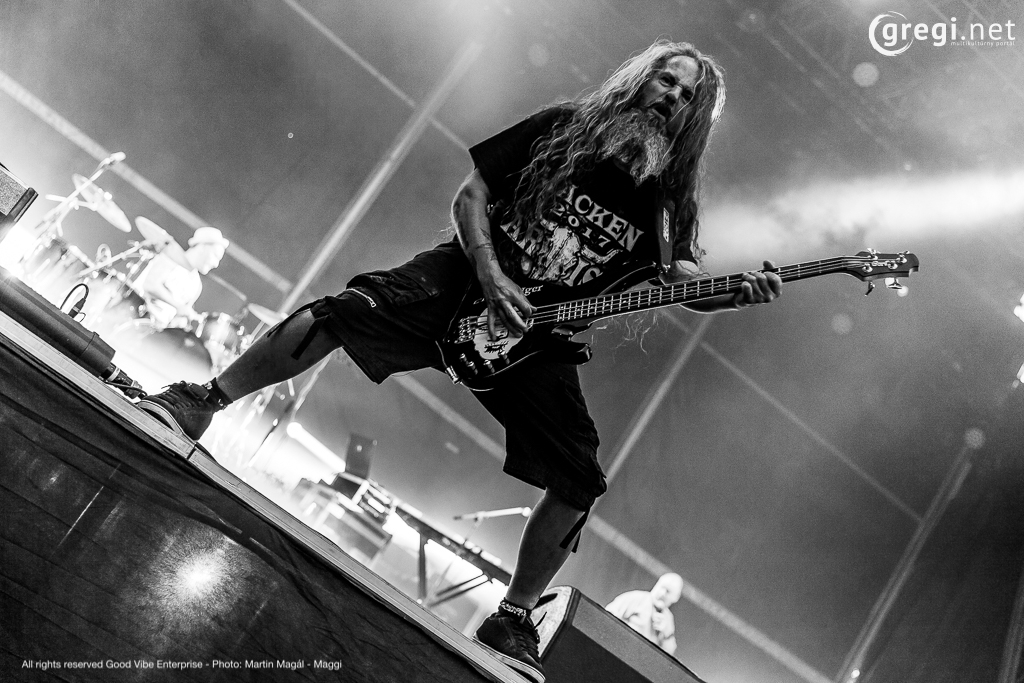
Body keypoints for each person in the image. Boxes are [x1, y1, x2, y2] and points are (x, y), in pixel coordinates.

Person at [138, 40, 782, 683]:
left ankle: (512, 616)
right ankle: (200, 401)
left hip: (540, 336)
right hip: (466, 279)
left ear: (693, 119)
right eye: (665, 81)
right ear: (640, 80)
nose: (671, 97)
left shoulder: (667, 201)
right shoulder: (565, 127)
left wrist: (734, 292)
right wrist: (492, 276)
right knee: (340, 313)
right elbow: (471, 194)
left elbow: (680, 279)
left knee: (580, 480)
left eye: (687, 96)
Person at [134, 226, 229, 329]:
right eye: (215, 256)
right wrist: (179, 306)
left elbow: (181, 313)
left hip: (154, 329)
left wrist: (183, 321)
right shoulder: (172, 257)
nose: (216, 264)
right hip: (135, 312)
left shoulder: (197, 285)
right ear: (202, 247)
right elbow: (150, 284)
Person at [606, 573, 685, 655]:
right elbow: (606, 616)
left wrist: (666, 633)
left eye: (668, 592)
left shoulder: (668, 618)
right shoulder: (636, 598)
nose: (662, 593)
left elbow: (669, 653)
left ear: (675, 598)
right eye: (662, 587)